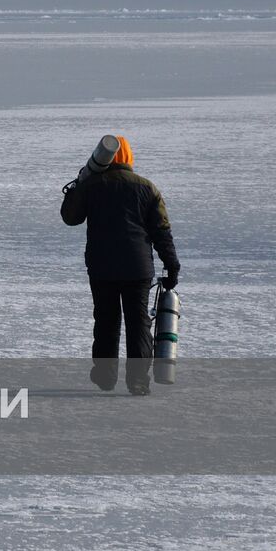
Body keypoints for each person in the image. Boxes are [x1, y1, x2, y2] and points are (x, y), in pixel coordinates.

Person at [60, 136, 180, 394]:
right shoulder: (147, 188)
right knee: (138, 324)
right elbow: (161, 230)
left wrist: (78, 184)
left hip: (102, 266)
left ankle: (105, 376)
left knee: (106, 321)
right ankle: (137, 381)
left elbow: (70, 218)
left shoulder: (92, 185)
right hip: (137, 268)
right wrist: (171, 265)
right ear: (129, 158)